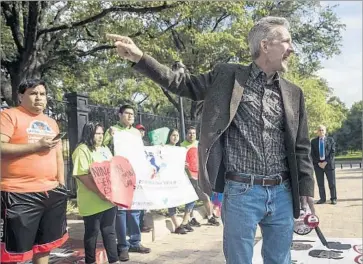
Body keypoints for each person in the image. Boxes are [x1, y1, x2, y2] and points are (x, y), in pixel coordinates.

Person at [107, 15, 316, 264]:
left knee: (280, 260)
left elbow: (301, 145)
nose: (291, 49)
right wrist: (140, 58)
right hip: (241, 193)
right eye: (286, 42)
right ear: (265, 45)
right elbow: (182, 83)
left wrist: (305, 189)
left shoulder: (294, 93)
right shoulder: (228, 76)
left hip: (282, 192)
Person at [0, 79, 68, 264]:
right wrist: (36, 146)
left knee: (44, 247)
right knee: (13, 253)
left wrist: (61, 185)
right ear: (21, 96)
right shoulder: (9, 116)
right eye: (33, 93)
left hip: (50, 192)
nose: (39, 97)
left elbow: (57, 155)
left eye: (42, 94)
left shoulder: (51, 122)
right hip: (18, 193)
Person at [103, 105, 151, 262]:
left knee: (135, 209)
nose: (130, 116)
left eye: (132, 114)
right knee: (122, 212)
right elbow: (103, 147)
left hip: (135, 174)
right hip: (119, 175)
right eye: (127, 113)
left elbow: (140, 153)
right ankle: (123, 246)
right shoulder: (112, 130)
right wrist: (109, 136)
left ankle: (135, 242)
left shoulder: (136, 132)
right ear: (119, 114)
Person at [72, 122, 120, 264]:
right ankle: (90, 261)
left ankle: (114, 260)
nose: (100, 136)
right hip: (92, 201)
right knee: (92, 234)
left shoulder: (104, 148)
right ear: (89, 134)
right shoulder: (82, 150)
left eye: (101, 133)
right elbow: (83, 175)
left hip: (109, 200)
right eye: (97, 133)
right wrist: (100, 193)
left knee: (109, 232)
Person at [181, 126, 219, 227]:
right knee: (190, 198)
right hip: (187, 176)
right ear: (186, 134)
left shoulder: (199, 144)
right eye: (189, 133)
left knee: (205, 196)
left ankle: (210, 217)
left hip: (199, 175)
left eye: (193, 133)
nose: (191, 135)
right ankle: (191, 218)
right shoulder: (181, 146)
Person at [166, 128, 197, 234]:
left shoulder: (179, 149)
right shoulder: (165, 148)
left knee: (191, 198)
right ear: (169, 136)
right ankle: (177, 225)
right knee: (172, 202)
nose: (175, 138)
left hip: (180, 178)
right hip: (169, 179)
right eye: (173, 135)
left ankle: (184, 221)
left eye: (177, 136)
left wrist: (184, 165)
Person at [311, 125, 337, 204]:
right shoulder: (313, 141)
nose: (321, 131)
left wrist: (325, 162)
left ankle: (333, 198)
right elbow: (312, 154)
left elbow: (332, 152)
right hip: (318, 165)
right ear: (317, 132)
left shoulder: (330, 140)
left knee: (332, 183)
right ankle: (322, 199)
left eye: (322, 130)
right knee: (320, 183)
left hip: (329, 164)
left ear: (325, 131)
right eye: (319, 130)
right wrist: (318, 163)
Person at [134, 123, 152, 233]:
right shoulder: (130, 144)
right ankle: (134, 227)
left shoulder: (146, 144)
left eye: (142, 130)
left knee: (142, 203)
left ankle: (141, 224)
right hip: (134, 176)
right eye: (139, 130)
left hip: (144, 177)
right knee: (135, 204)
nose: (141, 132)